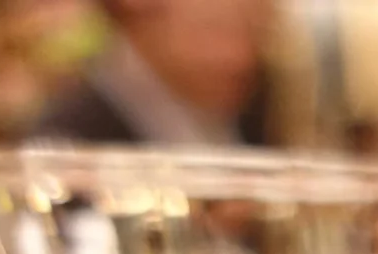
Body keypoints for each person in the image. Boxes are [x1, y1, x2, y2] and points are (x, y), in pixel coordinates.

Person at [29, 0, 272, 147]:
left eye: (254, 33)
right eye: (216, 30)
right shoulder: (73, 134)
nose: (239, 57)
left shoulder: (253, 111)